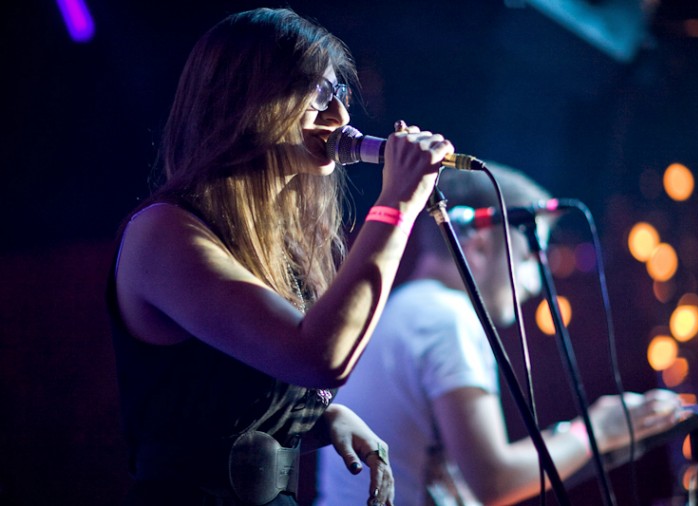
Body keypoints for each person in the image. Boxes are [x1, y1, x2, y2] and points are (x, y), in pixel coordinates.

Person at [106, 7, 455, 506]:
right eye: (319, 94)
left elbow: (223, 390)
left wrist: (316, 419)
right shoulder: (164, 234)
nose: (342, 118)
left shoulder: (274, 244)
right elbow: (320, 357)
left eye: (342, 96)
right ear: (248, 99)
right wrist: (397, 203)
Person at [316, 164, 684, 505]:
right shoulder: (449, 317)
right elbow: (494, 481)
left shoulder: (405, 307)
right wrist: (598, 430)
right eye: (526, 258)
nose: (534, 285)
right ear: (478, 246)